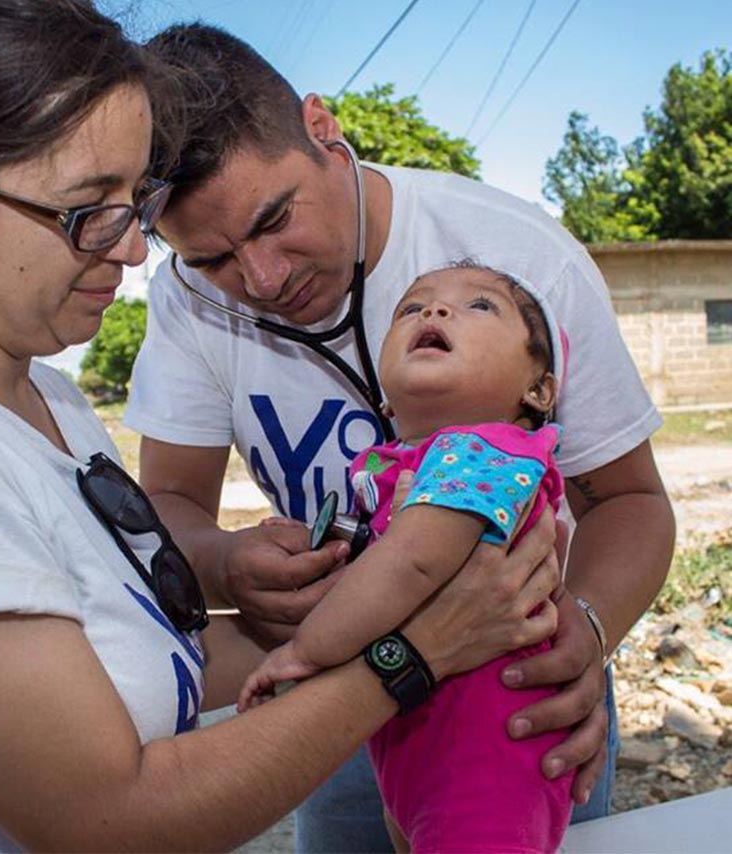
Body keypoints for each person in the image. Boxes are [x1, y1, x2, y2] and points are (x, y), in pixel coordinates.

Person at [0, 2, 565, 850]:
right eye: (85, 211)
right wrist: (413, 651)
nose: (135, 251)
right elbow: (117, 818)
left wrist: (344, 605)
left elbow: (140, 655)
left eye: (132, 201)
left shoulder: (43, 400)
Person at [127, 23, 675, 852]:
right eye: (213, 261)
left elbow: (629, 499)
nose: (264, 279)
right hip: (348, 694)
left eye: (276, 219)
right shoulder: (185, 303)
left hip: (519, 692)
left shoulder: (513, 258)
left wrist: (585, 638)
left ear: (323, 129)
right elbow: (168, 501)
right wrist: (224, 560)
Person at [240, 265, 576, 852]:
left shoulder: (485, 450)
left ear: (538, 391)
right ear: (384, 402)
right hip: (416, 745)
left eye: (479, 306)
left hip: (486, 759)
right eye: (411, 308)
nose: (434, 313)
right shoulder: (404, 466)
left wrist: (303, 650)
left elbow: (412, 565)